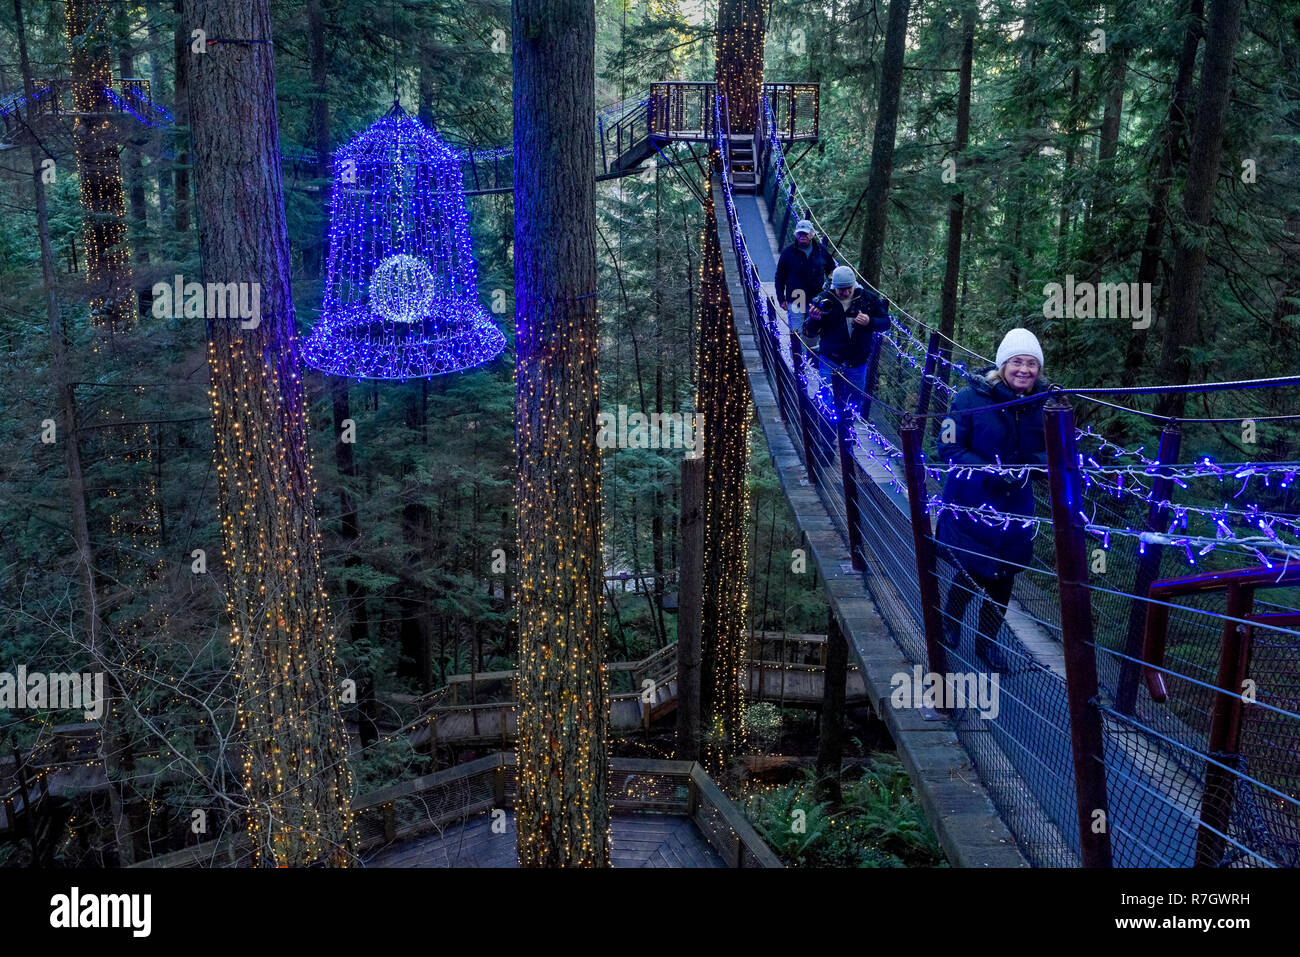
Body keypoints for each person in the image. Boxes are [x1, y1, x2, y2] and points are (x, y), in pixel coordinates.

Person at [934, 328, 1050, 670]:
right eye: (1017, 362)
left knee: (1003, 575)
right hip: (974, 499)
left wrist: (1032, 467)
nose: (1024, 370)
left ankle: (987, 642)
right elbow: (948, 446)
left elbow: (1058, 452)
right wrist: (990, 470)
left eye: (1032, 364)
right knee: (973, 568)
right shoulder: (968, 399)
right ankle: (950, 623)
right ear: (1003, 365)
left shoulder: (1045, 405)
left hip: (1015, 506)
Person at [804, 265, 892, 406]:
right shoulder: (824, 300)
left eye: (848, 289)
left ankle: (847, 427)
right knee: (827, 401)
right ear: (834, 287)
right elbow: (810, 332)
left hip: (857, 361)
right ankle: (828, 427)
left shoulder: (869, 299)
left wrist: (870, 321)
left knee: (854, 402)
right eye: (841, 289)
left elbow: (886, 322)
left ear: (854, 284)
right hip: (830, 359)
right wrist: (814, 319)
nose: (845, 292)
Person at [774, 219, 834, 341]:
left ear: (812, 234)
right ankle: (797, 359)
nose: (802, 236)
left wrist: (829, 290)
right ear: (796, 234)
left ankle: (810, 358)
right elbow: (780, 277)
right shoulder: (788, 253)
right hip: (797, 298)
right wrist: (781, 298)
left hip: (817, 298)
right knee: (797, 334)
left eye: (805, 233)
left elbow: (832, 271)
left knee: (814, 334)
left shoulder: (821, 251)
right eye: (800, 233)